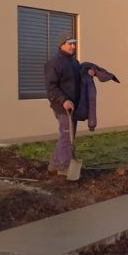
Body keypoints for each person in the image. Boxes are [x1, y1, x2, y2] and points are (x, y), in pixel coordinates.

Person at [44, 35, 82, 176]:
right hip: (62, 105)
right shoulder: (55, 63)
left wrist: (89, 72)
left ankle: (54, 164)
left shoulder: (73, 62)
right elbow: (51, 87)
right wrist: (63, 100)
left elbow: (79, 78)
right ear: (61, 45)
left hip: (73, 106)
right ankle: (63, 167)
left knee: (67, 135)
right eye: (69, 44)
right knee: (67, 136)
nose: (73, 46)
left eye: (74, 44)